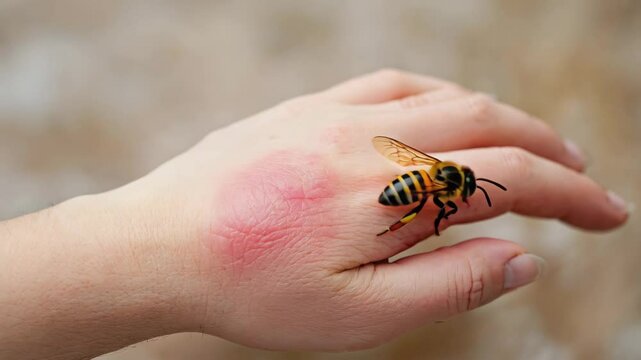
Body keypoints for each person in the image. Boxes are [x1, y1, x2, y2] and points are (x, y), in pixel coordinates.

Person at [0, 70, 628, 359]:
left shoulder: (425, 172)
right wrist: (182, 255)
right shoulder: (444, 192)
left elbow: (400, 168)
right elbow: (430, 204)